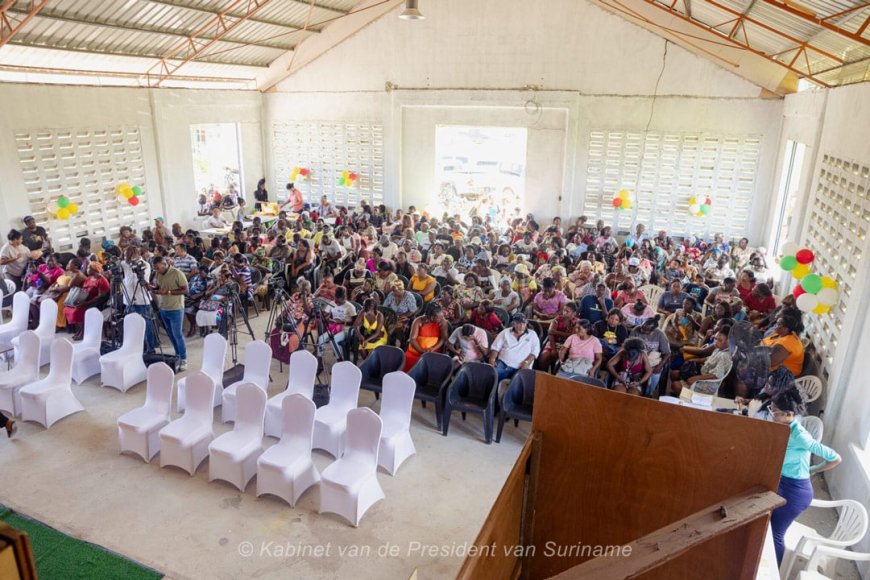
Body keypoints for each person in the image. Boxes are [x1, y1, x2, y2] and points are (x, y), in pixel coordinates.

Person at [769, 387, 841, 566]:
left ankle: (772, 572)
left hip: (795, 492)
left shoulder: (801, 436)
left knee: (774, 532)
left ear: (787, 414)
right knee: (765, 521)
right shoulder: (784, 427)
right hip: (784, 482)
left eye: (774, 412)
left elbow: (835, 457)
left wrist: (813, 469)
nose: (771, 414)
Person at [152, 256, 189, 370]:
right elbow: (159, 287)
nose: (156, 270)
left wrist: (168, 292)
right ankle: (177, 354)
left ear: (164, 264)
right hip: (164, 308)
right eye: (155, 269)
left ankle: (183, 359)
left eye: (158, 268)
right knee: (171, 334)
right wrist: (153, 288)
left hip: (176, 308)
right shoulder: (158, 274)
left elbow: (186, 290)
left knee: (177, 334)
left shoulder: (177, 273)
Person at [669, 327, 732, 395]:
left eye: (720, 340)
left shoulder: (725, 356)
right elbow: (708, 359)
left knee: (675, 385)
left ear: (728, 341)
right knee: (674, 374)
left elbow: (715, 376)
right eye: (716, 339)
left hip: (709, 383)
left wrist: (696, 378)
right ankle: (680, 394)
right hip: (702, 373)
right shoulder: (718, 349)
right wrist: (693, 360)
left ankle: (684, 398)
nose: (716, 342)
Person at [122, 246, 157, 351]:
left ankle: (150, 348)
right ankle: (136, 348)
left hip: (142, 299)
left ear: (136, 254)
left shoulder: (145, 265)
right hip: (129, 299)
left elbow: (143, 281)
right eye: (125, 256)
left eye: (129, 255)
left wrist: (135, 267)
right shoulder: (125, 264)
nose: (127, 258)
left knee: (146, 324)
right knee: (131, 325)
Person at [488, 313, 541, 382]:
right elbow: (495, 348)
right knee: (492, 377)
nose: (521, 326)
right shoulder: (505, 332)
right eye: (518, 323)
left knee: (520, 385)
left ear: (526, 323)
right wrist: (492, 359)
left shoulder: (532, 335)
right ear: (513, 323)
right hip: (504, 364)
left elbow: (535, 352)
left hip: (522, 366)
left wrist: (527, 362)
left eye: (523, 323)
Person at [63, 262, 109, 340]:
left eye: (89, 268)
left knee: (77, 310)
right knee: (68, 308)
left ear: (94, 269)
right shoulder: (89, 278)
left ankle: (83, 332)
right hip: (85, 298)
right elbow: (84, 290)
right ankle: (80, 330)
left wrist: (85, 303)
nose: (87, 269)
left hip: (96, 301)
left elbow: (100, 296)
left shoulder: (101, 280)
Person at [629, 316, 671, 397]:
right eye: (642, 327)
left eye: (645, 330)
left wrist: (660, 365)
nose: (642, 330)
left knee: (656, 372)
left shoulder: (660, 334)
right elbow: (629, 346)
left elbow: (667, 353)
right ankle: (635, 387)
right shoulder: (636, 330)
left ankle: (650, 393)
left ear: (653, 330)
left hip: (653, 360)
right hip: (638, 358)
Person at [403, 302, 449, 372]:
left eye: (442, 317)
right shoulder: (418, 321)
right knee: (410, 367)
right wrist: (421, 351)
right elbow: (412, 339)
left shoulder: (442, 322)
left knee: (428, 367)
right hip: (416, 351)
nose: (442, 319)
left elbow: (443, 339)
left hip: (433, 351)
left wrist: (433, 349)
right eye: (439, 318)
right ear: (432, 317)